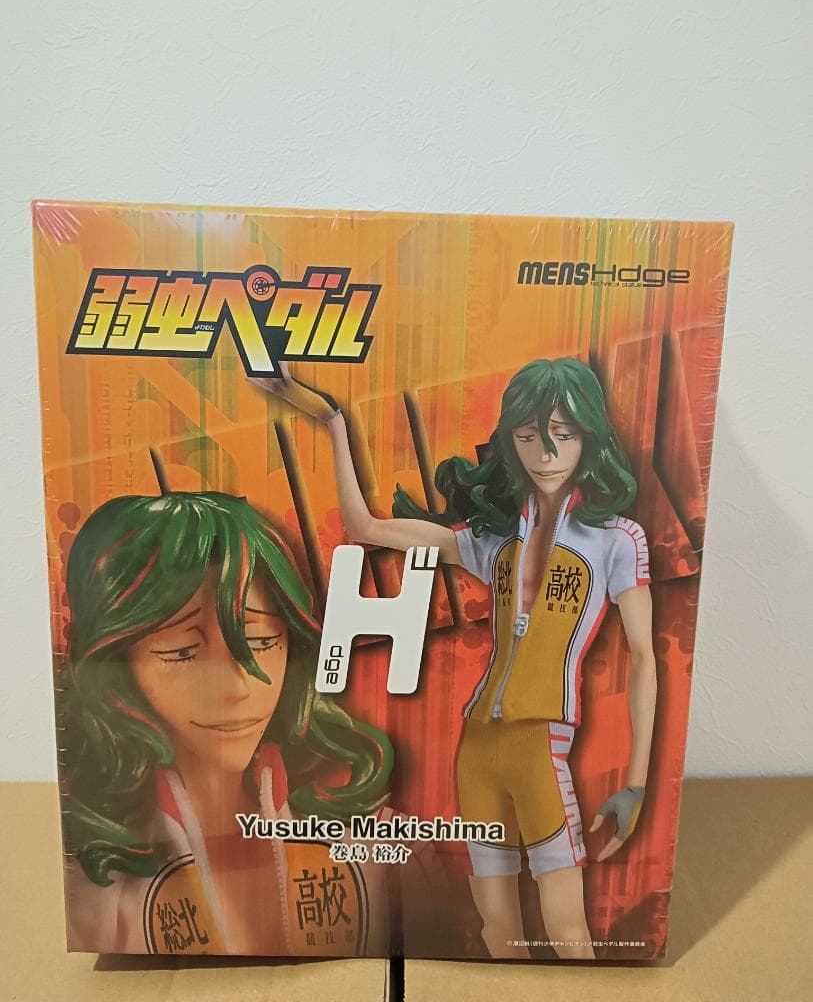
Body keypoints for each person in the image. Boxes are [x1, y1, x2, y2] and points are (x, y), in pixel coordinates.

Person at [254, 357, 657, 960]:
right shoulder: (491, 538)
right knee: (497, 932)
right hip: (476, 751)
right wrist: (330, 417)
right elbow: (365, 527)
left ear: (589, 436)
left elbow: (645, 658)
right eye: (528, 437)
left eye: (563, 434)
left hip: (543, 747)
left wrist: (637, 784)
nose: (546, 453)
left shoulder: (616, 539)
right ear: (510, 441)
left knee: (567, 931)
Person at [60, 487, 395, 956]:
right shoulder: (89, 886)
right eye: (182, 651)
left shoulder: (379, 846)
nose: (238, 688)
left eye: (261, 642)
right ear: (115, 665)